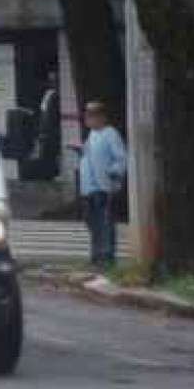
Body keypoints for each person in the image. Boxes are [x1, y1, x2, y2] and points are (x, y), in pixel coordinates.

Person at [78, 100, 127, 269]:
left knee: (104, 222)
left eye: (93, 115)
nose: (89, 119)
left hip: (103, 186)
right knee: (92, 222)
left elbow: (120, 158)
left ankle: (106, 257)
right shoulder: (91, 135)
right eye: (87, 115)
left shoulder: (110, 134)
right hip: (89, 187)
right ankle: (96, 255)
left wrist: (113, 173)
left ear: (102, 117)